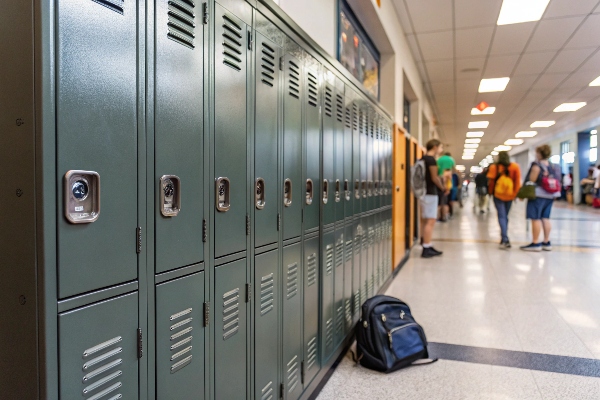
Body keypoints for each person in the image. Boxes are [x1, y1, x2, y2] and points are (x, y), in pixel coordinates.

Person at [521, 145, 562, 252]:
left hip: (538, 195)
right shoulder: (553, 166)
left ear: (539, 153)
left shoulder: (537, 165)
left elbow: (531, 181)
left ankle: (535, 242)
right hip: (550, 195)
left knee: (536, 218)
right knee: (546, 217)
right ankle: (546, 242)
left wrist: (522, 193)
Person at [487, 151, 521, 249]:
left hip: (498, 195)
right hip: (510, 195)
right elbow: (517, 182)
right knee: (505, 216)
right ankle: (504, 237)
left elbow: (491, 182)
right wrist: (515, 194)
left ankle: (505, 238)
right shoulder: (515, 167)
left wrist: (490, 193)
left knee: (501, 216)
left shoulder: (494, 167)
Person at [420, 139, 447, 258]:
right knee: (430, 220)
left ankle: (427, 244)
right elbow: (434, 178)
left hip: (424, 192)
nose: (441, 150)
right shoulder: (431, 160)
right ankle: (426, 248)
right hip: (430, 193)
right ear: (435, 147)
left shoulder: (423, 158)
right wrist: (442, 188)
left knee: (425, 220)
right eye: (440, 147)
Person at [437, 153, 455, 222]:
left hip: (438, 183)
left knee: (440, 203)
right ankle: (443, 216)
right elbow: (447, 180)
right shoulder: (450, 161)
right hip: (444, 187)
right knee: (444, 203)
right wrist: (446, 188)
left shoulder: (439, 159)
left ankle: (440, 216)